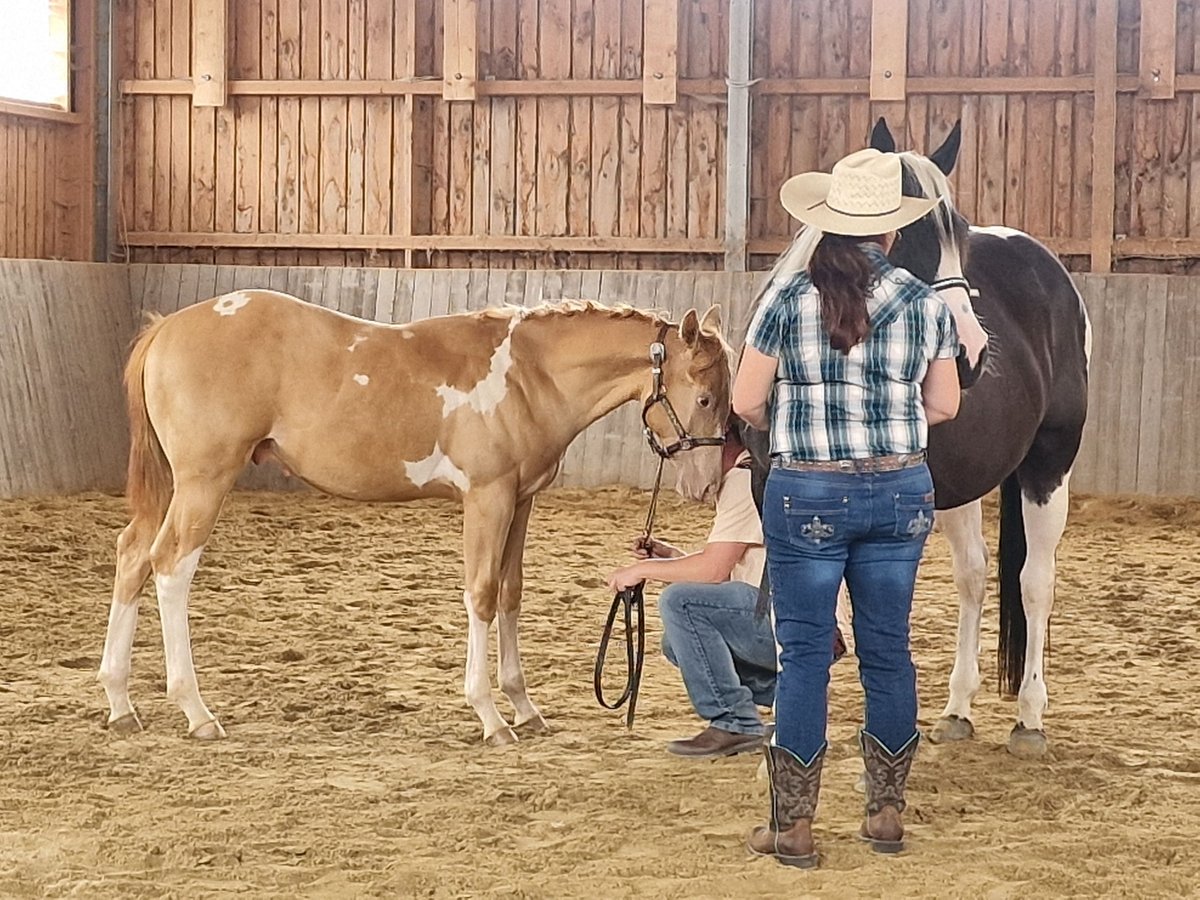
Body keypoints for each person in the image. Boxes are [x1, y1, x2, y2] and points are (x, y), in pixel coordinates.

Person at [732, 147, 961, 867]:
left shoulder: (786, 299)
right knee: (888, 652)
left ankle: (793, 826)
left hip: (809, 492)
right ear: (893, 233)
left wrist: (800, 422)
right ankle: (885, 815)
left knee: (804, 658)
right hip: (900, 491)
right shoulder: (925, 303)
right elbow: (946, 403)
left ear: (826, 225)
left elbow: (744, 400)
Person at [606, 417, 776, 760]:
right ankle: (789, 700)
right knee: (677, 641)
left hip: (775, 619)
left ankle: (734, 721)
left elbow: (713, 571)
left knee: (680, 603)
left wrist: (643, 570)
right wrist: (671, 556)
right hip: (780, 614)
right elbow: (728, 572)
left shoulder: (744, 481)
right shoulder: (749, 476)